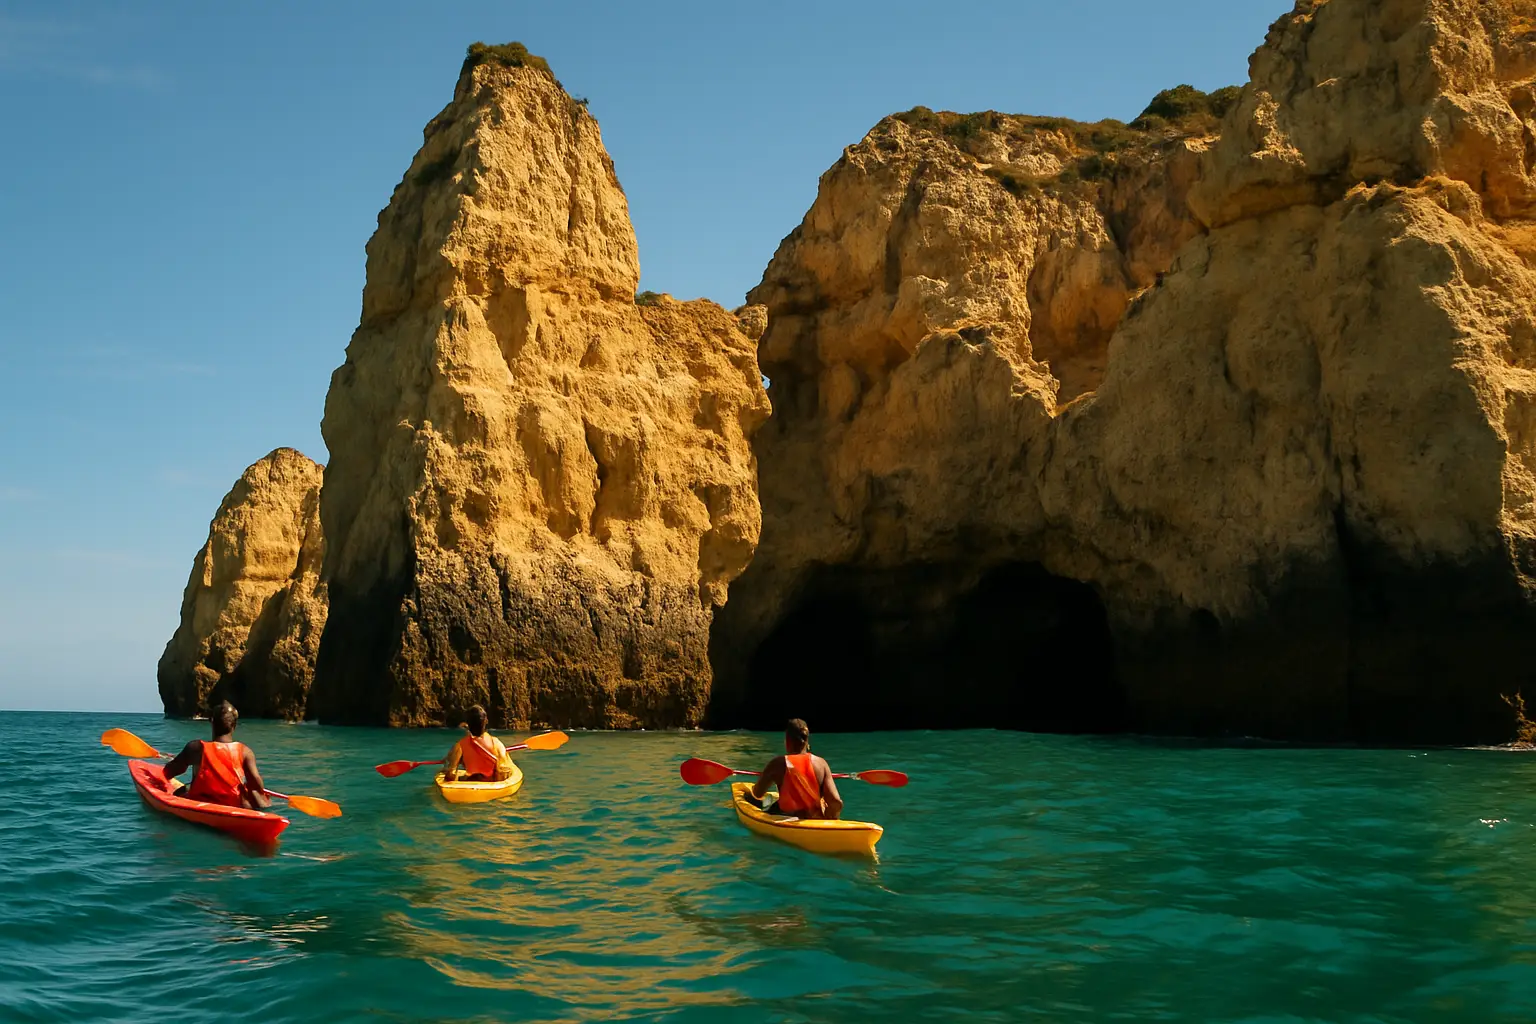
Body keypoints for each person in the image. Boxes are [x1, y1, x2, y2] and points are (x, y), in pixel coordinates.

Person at [162, 700, 271, 810]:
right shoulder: (245, 752)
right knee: (254, 794)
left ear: (211, 721)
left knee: (181, 790)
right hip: (233, 804)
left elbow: (169, 772)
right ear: (234, 725)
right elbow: (256, 785)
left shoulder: (196, 748)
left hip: (200, 801)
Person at [750, 718, 843, 820]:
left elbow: (757, 793)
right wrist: (831, 818)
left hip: (785, 819)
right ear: (807, 742)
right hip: (814, 820)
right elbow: (835, 801)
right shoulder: (821, 763)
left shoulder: (778, 763)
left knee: (755, 801)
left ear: (787, 741)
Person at [441, 705, 515, 782]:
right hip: (491, 783)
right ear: (486, 721)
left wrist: (453, 760)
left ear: (467, 724)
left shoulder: (460, 746)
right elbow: (503, 770)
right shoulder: (496, 743)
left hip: (471, 781)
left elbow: (451, 773)